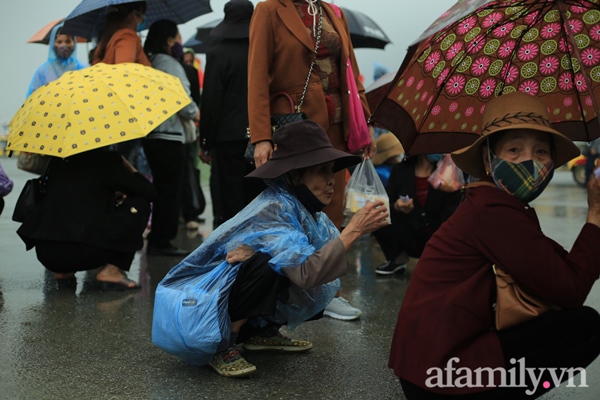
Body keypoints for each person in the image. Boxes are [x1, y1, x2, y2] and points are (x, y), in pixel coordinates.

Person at [389, 92, 600, 399]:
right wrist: (595, 214)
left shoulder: (495, 203)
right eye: (514, 149)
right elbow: (569, 287)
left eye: (541, 151)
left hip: (426, 367)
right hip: (441, 373)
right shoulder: (492, 210)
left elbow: (552, 266)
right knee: (585, 328)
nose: (529, 161)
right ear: (489, 160)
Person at [152, 120, 389, 377]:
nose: (331, 181)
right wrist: (353, 231)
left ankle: (260, 330)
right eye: (321, 171)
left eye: (331, 171)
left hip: (221, 299)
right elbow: (307, 273)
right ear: (296, 176)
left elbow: (322, 267)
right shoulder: (276, 207)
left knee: (290, 263)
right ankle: (224, 344)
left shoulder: (306, 209)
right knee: (269, 264)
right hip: (196, 310)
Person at [247, 0, 376, 321]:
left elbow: (352, 73)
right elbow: (257, 74)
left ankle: (328, 290)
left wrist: (365, 123)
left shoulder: (334, 13)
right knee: (294, 207)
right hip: (298, 124)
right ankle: (292, 290)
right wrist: (261, 135)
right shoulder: (269, 9)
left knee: (331, 205)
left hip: (338, 125)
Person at [15, 148, 156, 290]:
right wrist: (126, 165)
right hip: (89, 253)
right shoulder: (106, 160)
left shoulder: (58, 160)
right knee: (140, 205)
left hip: (47, 254)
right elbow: (149, 192)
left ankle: (63, 272)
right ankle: (111, 271)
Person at [199, 0, 265, 224]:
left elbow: (210, 100)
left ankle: (232, 244)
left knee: (229, 195)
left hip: (227, 136)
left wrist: (206, 142)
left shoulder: (217, 53)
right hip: (260, 133)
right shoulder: (263, 50)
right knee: (258, 193)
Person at [143, 19, 200, 256]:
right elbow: (183, 100)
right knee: (170, 190)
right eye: (177, 38)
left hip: (152, 135)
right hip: (169, 135)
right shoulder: (170, 64)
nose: (179, 43)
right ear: (169, 40)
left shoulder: (149, 62)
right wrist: (196, 112)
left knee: (160, 187)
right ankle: (162, 240)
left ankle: (158, 237)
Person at [373, 153, 461, 275]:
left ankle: (440, 262)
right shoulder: (400, 170)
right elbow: (386, 202)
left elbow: (455, 209)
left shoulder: (446, 171)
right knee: (377, 214)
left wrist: (453, 188)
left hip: (437, 233)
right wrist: (397, 206)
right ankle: (397, 259)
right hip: (408, 231)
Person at [26, 22, 86, 97]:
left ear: (74, 43)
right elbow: (32, 98)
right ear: (52, 44)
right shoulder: (42, 72)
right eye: (59, 42)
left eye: (68, 41)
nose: (63, 45)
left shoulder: (83, 69)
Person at [92, 1, 150, 66]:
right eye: (141, 16)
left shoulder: (110, 35)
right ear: (134, 15)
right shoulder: (127, 37)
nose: (142, 20)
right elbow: (124, 70)